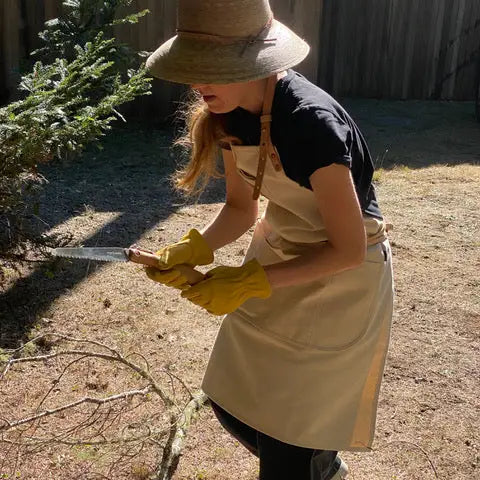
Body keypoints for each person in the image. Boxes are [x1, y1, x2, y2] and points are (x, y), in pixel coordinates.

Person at [145, 1, 394, 479]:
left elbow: (346, 249)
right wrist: (195, 248)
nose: (199, 83)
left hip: (342, 280)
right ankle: (319, 467)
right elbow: (242, 209)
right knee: (231, 401)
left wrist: (246, 281)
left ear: (252, 63)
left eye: (210, 69)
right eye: (193, 69)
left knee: (288, 440)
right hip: (278, 258)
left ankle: (313, 465)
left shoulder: (311, 124)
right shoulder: (231, 113)